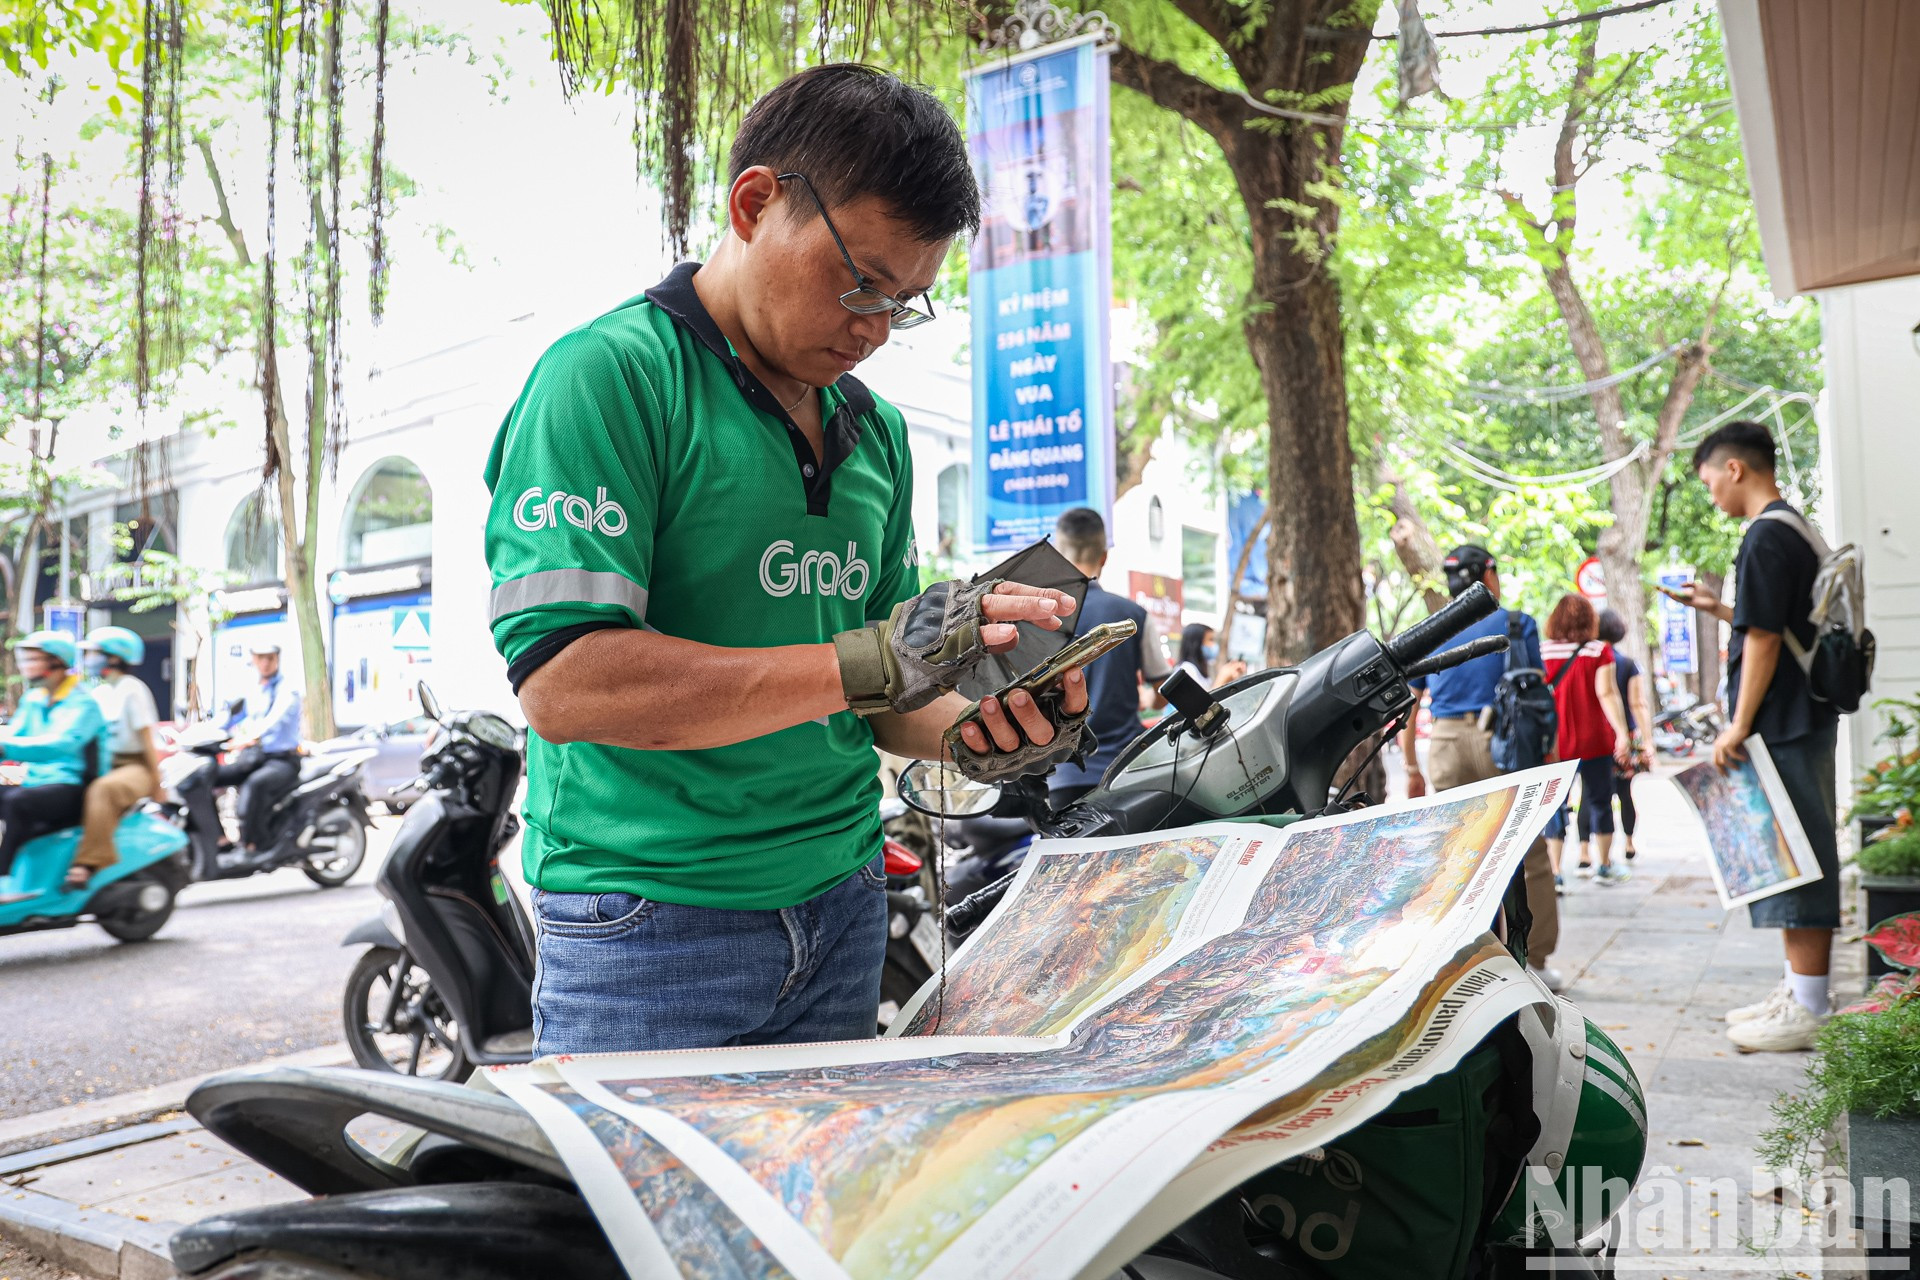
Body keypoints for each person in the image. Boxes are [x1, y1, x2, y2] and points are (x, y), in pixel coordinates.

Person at [484, 65, 1085, 1057]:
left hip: (845, 901)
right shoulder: (606, 379)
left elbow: (884, 686)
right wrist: (872, 661)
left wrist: (980, 738)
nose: (874, 329)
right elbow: (566, 683)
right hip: (651, 929)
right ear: (755, 203)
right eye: (860, 283)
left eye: (907, 303)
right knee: (650, 1216)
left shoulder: (874, 433)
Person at [1681, 421, 1841, 1053]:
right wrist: (1722, 612)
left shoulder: (1766, 536)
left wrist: (1738, 724)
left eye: (1709, 480)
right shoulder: (1792, 527)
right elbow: (1767, 622)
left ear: (1736, 469)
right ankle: (1797, 990)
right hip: (1802, 715)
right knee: (1791, 853)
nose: (1711, 493)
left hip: (1786, 721)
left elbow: (1766, 640)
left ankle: (1808, 1004)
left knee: (1798, 858)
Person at [1396, 545, 1563, 992]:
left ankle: (1464, 957)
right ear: (1489, 573)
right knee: (1527, 849)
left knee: (1456, 853)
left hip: (1446, 744)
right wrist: (1548, 752)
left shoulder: (1429, 630)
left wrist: (1411, 765)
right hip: (1501, 743)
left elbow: (1410, 707)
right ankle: (1538, 957)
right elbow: (1534, 692)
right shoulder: (1514, 623)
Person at [1048, 508, 1172, 807]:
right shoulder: (1133, 615)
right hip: (1125, 771)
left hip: (1060, 777)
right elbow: (1162, 688)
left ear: (1055, 555)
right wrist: (1151, 702)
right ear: (1104, 557)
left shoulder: (1039, 616)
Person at [0, 632, 106, 903]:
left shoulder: (83, 703)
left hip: (71, 787)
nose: (27, 665)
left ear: (57, 662)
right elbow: (14, 734)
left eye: (34, 659)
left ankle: (5, 882)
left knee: (18, 803)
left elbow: (62, 743)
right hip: (37, 783)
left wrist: (7, 748)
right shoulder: (33, 700)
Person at [1540, 594, 1632, 887]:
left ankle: (1555, 871)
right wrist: (1621, 733)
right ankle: (1603, 866)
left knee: (1555, 805)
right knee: (1601, 801)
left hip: (1556, 744)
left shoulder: (1543, 651)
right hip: (1594, 741)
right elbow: (1606, 693)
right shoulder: (1598, 651)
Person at [181, 639, 303, 854]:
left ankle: (254, 844)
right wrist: (195, 736)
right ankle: (219, 839)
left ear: (277, 660)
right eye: (260, 659)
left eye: (270, 659)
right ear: (253, 661)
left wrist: (249, 737)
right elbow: (228, 717)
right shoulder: (254, 691)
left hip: (282, 761)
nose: (265, 664)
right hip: (254, 757)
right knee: (206, 778)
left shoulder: (287, 690)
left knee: (254, 786)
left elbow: (273, 720)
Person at [70, 627, 165, 890]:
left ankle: (88, 863)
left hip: (136, 766)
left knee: (103, 790)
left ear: (114, 657)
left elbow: (147, 740)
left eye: (93, 653)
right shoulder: (98, 693)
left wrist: (157, 784)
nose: (88, 659)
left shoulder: (132, 689)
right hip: (107, 764)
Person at [1576, 609, 1656, 867]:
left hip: (1594, 735)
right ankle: (1629, 843)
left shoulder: (1585, 659)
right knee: (1624, 792)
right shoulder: (1628, 663)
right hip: (1624, 737)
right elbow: (1638, 703)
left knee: (1590, 793)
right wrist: (1646, 739)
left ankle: (1585, 851)